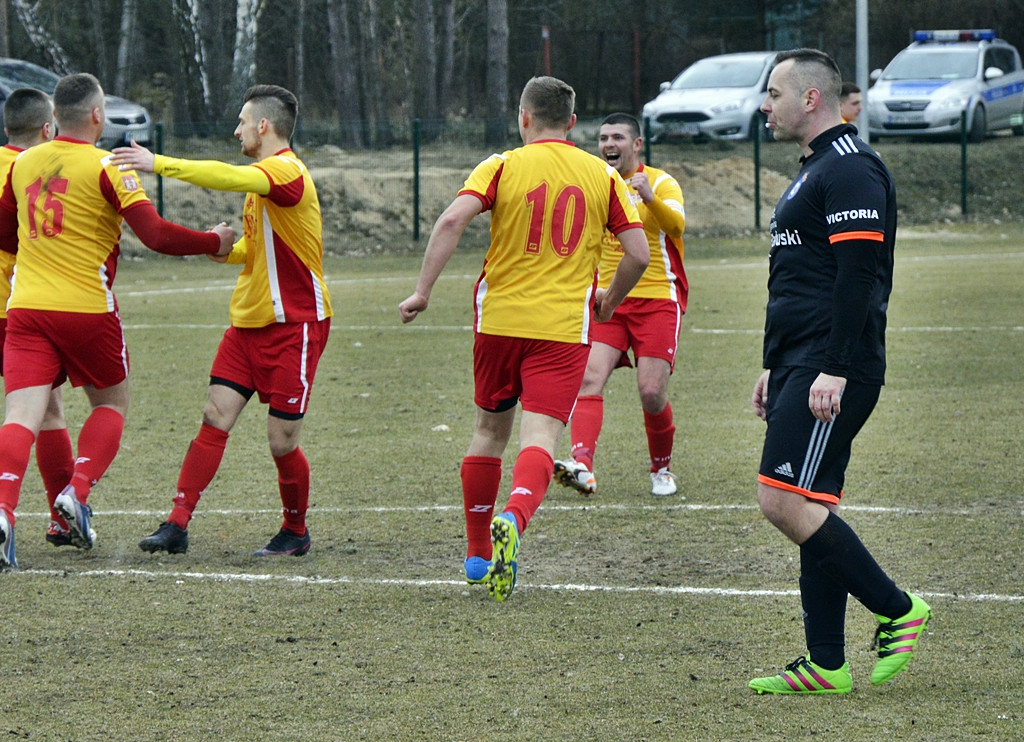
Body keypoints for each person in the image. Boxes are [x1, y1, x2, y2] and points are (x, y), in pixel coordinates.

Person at [398, 76, 649, 602]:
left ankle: (475, 556)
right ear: (573, 123)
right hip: (561, 330)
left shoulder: (501, 165)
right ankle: (513, 517)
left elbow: (451, 221)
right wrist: (608, 301)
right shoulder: (602, 176)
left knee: (488, 433)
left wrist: (422, 291)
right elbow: (639, 254)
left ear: (524, 117)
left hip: (498, 323)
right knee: (539, 440)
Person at [748, 49, 930, 695]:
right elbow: (799, 279)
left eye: (774, 93)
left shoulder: (852, 167)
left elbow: (859, 277)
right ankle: (826, 663)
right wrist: (774, 364)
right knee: (811, 502)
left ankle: (897, 608)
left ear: (810, 99)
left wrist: (833, 367)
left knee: (780, 499)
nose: (764, 105)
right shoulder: (814, 169)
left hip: (831, 365)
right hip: (800, 360)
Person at [0, 73, 234, 569]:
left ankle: (3, 510)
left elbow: (3, 233)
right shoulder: (108, 165)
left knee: (21, 415)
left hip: (26, 309)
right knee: (111, 402)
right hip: (87, 308)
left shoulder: (23, 164)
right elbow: (156, 235)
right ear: (98, 116)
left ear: (53, 118)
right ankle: (77, 491)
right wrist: (214, 241)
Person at [111, 84, 332, 558]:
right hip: (248, 323)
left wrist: (158, 163)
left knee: (281, 441)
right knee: (214, 416)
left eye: (242, 122)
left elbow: (225, 176)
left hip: (295, 325)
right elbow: (257, 247)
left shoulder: (286, 171)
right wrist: (223, 248)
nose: (236, 131)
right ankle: (177, 523)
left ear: (264, 126)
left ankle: (295, 531)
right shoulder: (264, 183)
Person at [553, 112, 687, 498]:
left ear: (637, 144)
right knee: (589, 378)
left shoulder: (660, 181)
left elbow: (677, 226)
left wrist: (650, 198)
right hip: (609, 300)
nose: (609, 144)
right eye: (603, 138)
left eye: (618, 137)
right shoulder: (595, 183)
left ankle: (661, 470)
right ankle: (582, 463)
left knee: (651, 392)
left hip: (657, 300)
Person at [0, 88, 80, 548]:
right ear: (48, 128)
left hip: (18, 309)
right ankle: (61, 518)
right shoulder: (39, 169)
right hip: (21, 309)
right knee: (46, 411)